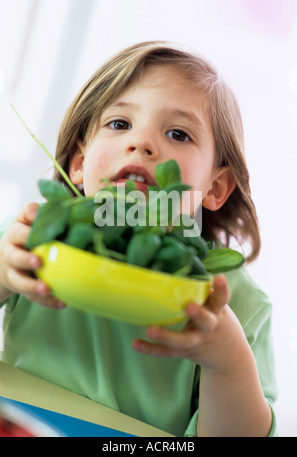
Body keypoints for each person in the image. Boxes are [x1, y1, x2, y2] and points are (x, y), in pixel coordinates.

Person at [0, 41, 277, 437]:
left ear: (215, 187)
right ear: (79, 165)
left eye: (178, 133)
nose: (142, 142)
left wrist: (228, 360)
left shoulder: (234, 301)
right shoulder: (29, 240)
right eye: (119, 124)